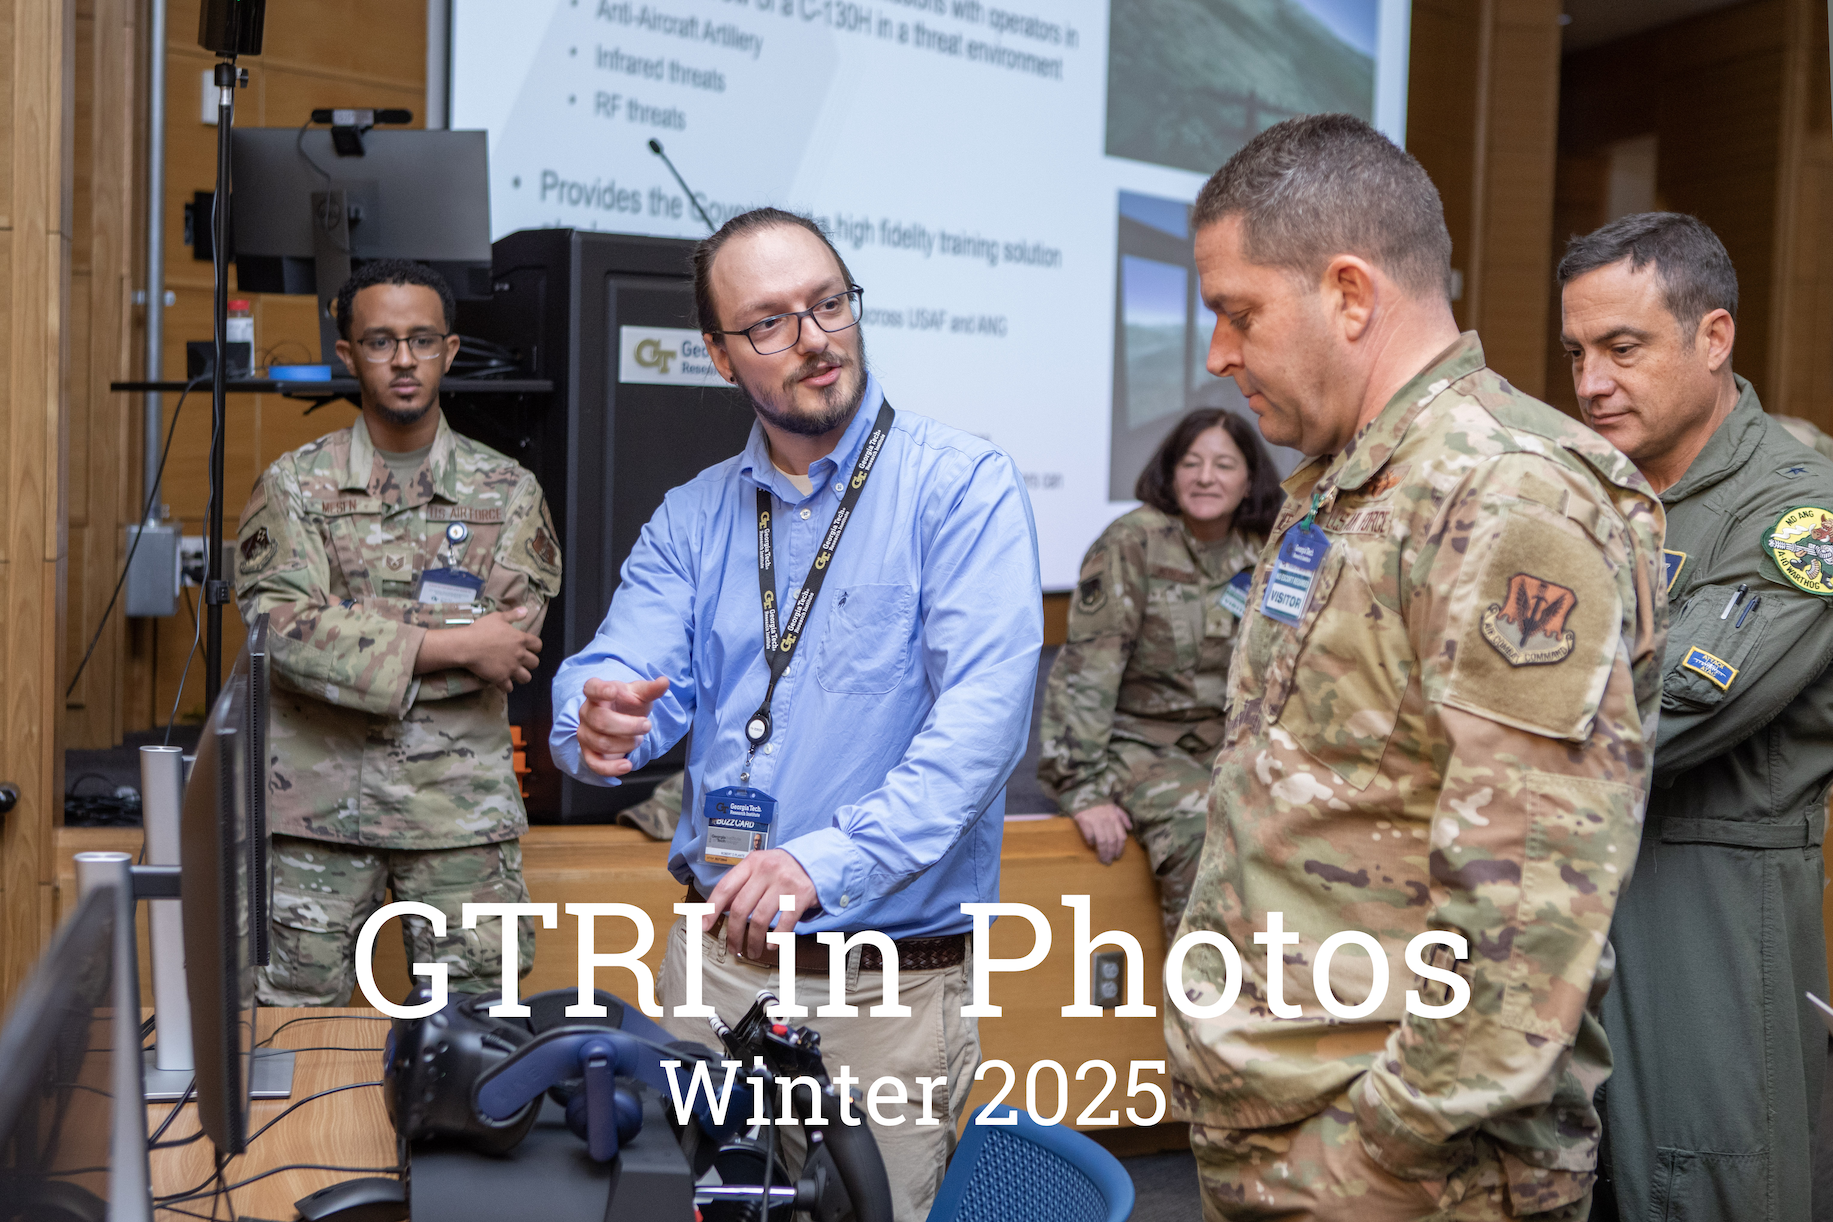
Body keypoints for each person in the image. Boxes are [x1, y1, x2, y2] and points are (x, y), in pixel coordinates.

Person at [1166, 114, 1666, 1221]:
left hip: (1398, 1174)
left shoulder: (1509, 495)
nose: (1218, 355)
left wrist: (1364, 1158)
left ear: (1349, 292)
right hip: (1300, 1134)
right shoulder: (1351, 479)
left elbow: (1530, 901)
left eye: (1237, 312)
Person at [547, 208, 1043, 1221]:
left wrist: (828, 859)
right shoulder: (694, 516)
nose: (815, 337)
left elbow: (982, 727)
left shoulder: (958, 487)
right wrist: (591, 717)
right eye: (770, 322)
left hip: (883, 997)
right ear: (721, 358)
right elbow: (618, 670)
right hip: (710, 976)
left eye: (828, 303)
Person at [1557, 212, 1833, 1222]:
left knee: (1709, 1185)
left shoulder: (1798, 512)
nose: (1590, 384)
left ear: (1713, 338)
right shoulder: (1588, 495)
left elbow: (1655, 717)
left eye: (1622, 349)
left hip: (1713, 920)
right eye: (1578, 353)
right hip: (1581, 911)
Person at [236, 259, 561, 1006]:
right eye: (380, 341)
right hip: (314, 819)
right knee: (288, 1037)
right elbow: (282, 635)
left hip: (456, 820)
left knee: (476, 1046)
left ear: (450, 350)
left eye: (421, 340)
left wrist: (352, 637)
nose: (404, 359)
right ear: (348, 353)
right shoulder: (294, 484)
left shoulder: (507, 491)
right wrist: (450, 644)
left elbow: (508, 645)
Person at [1038, 408, 1280, 943]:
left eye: (1223, 464)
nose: (1205, 477)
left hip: (1227, 746)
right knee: (1205, 823)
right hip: (1138, 743)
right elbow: (1087, 670)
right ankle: (1201, 1003)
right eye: (1190, 463)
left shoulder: (1266, 548)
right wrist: (1082, 788)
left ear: (1248, 479)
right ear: (1170, 473)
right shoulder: (1132, 542)